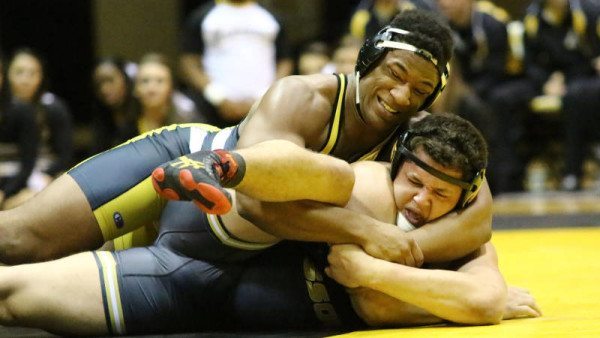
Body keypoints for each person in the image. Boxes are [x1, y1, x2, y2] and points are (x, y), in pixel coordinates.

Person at [0, 10, 491, 271]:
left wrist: (413, 248)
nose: (401, 95)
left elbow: (479, 214)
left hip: (222, 244)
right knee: (25, 241)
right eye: (396, 74)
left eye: (421, 90)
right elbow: (255, 205)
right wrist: (366, 231)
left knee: (47, 276)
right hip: (187, 164)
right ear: (368, 59)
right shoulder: (303, 97)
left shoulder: (417, 132)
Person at [0, 113, 540, 335]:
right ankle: (222, 166)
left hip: (192, 277)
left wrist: (370, 269)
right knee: (17, 238)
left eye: (440, 194)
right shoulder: (368, 183)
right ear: (395, 166)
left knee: (12, 289)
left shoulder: (467, 231)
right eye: (414, 183)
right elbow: (266, 207)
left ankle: (223, 170)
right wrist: (366, 241)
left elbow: (485, 301)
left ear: (466, 199)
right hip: (203, 182)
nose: (421, 201)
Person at [435, 0, 537, 194]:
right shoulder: (443, 25)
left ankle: (503, 177)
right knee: (455, 103)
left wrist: (468, 91)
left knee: (492, 103)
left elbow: (499, 68)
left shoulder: (493, 22)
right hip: (472, 86)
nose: (442, 3)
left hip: (511, 80)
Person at [523, 0, 600, 191]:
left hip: (588, 76)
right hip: (557, 82)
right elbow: (530, 63)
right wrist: (546, 81)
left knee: (579, 96)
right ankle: (571, 171)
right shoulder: (532, 19)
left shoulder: (589, 11)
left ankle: (574, 169)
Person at [179, 0, 293, 127]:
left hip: (264, 108)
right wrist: (218, 98)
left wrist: (263, 98)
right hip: (214, 110)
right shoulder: (202, 17)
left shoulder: (272, 18)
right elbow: (189, 63)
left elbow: (285, 62)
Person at [4, 48, 73, 207]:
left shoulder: (53, 107)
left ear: (41, 77)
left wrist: (46, 175)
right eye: (19, 72)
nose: (25, 79)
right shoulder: (4, 109)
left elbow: (65, 156)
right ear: (7, 74)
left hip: (43, 176)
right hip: (9, 177)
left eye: (33, 73)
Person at [0, 54, 40, 208]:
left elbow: (27, 166)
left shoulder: (22, 111)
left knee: (28, 201)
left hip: (15, 185)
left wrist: (5, 192)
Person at [134, 53, 203, 133]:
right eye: (145, 81)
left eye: (160, 81)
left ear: (171, 88)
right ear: (135, 88)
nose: (152, 89)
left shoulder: (189, 124)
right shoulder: (125, 124)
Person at [90, 57, 139, 155]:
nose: (104, 89)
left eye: (110, 80)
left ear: (125, 80)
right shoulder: (101, 122)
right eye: (99, 83)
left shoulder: (142, 114)